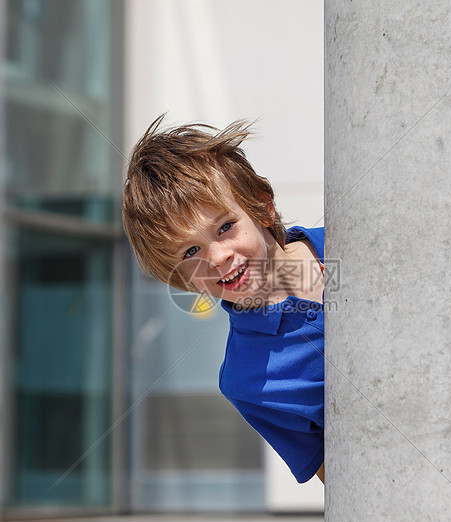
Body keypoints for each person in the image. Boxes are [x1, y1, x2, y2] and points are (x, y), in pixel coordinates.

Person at [123, 116, 326, 484]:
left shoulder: (359, 235)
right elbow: (349, 490)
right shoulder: (247, 381)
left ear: (262, 206)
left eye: (225, 227)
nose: (217, 257)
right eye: (190, 252)